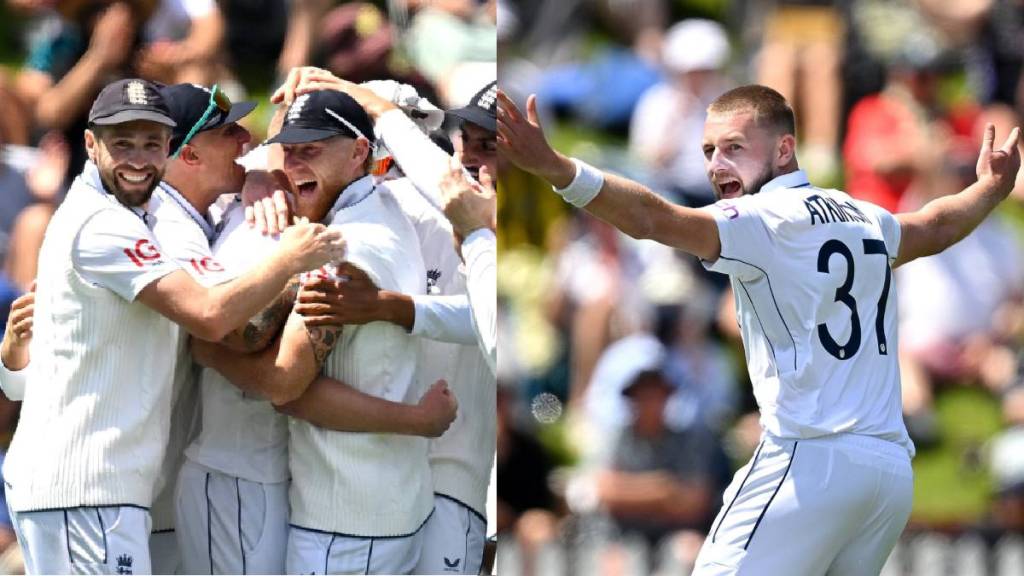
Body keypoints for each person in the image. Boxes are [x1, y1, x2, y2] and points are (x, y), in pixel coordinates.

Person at [497, 84, 1023, 574]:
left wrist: (556, 167)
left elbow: (651, 219)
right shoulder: (864, 216)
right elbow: (936, 226)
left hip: (810, 461)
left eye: (733, 148)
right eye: (707, 151)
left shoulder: (760, 220)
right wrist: (990, 191)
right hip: (887, 473)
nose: (716, 164)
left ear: (784, 150)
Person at [0, 78, 343, 575]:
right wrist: (294, 260)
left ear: (167, 148)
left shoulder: (147, 210)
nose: (244, 143)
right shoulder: (118, 225)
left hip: (115, 489)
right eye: (123, 142)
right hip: (88, 487)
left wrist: (262, 176)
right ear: (91, 144)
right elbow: (212, 318)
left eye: (150, 142)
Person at [190, 89, 434, 574]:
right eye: (291, 149)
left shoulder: (349, 243)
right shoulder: (374, 205)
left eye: (314, 149)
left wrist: (204, 347)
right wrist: (258, 174)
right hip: (369, 505)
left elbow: (281, 376)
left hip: (349, 523)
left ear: (360, 151)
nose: (297, 164)